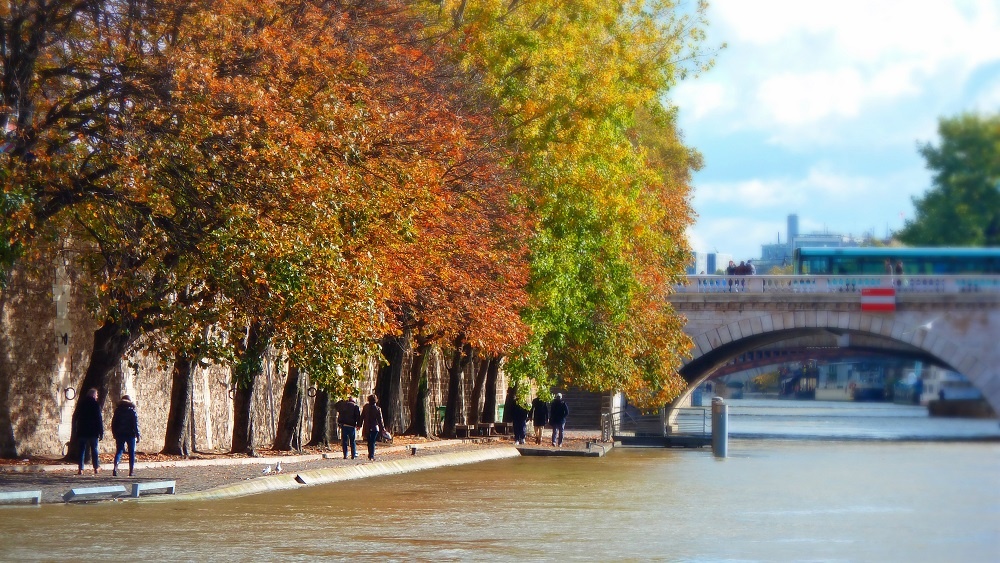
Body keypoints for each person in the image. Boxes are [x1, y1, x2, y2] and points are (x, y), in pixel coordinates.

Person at [73, 388, 104, 476]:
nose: (97, 397)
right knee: (94, 449)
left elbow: (75, 417)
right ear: (94, 395)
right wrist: (101, 432)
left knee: (81, 450)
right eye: (97, 395)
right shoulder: (95, 405)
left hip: (82, 430)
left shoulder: (81, 404)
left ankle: (81, 469)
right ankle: (96, 467)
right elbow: (99, 419)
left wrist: (75, 430)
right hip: (93, 431)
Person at [111, 395, 140, 477]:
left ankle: (115, 468)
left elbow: (114, 423)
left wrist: (114, 433)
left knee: (119, 451)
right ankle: (131, 471)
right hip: (130, 434)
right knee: (131, 453)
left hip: (120, 434)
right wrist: (138, 435)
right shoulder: (132, 411)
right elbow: (135, 424)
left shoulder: (117, 411)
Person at [361, 394, 385, 461]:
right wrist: (383, 429)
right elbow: (380, 420)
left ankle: (370, 455)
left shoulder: (365, 407)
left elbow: (362, 416)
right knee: (373, 442)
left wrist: (359, 425)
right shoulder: (378, 409)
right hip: (375, 428)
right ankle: (372, 455)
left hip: (367, 427)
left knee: (369, 442)